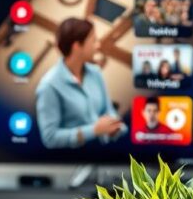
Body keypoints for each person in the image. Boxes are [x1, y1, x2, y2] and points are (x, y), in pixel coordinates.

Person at [35, 18, 125, 148]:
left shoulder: (95, 72)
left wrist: (115, 128)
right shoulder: (49, 86)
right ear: (77, 46)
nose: (98, 45)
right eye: (93, 41)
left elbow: (109, 111)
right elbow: (50, 138)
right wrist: (94, 130)